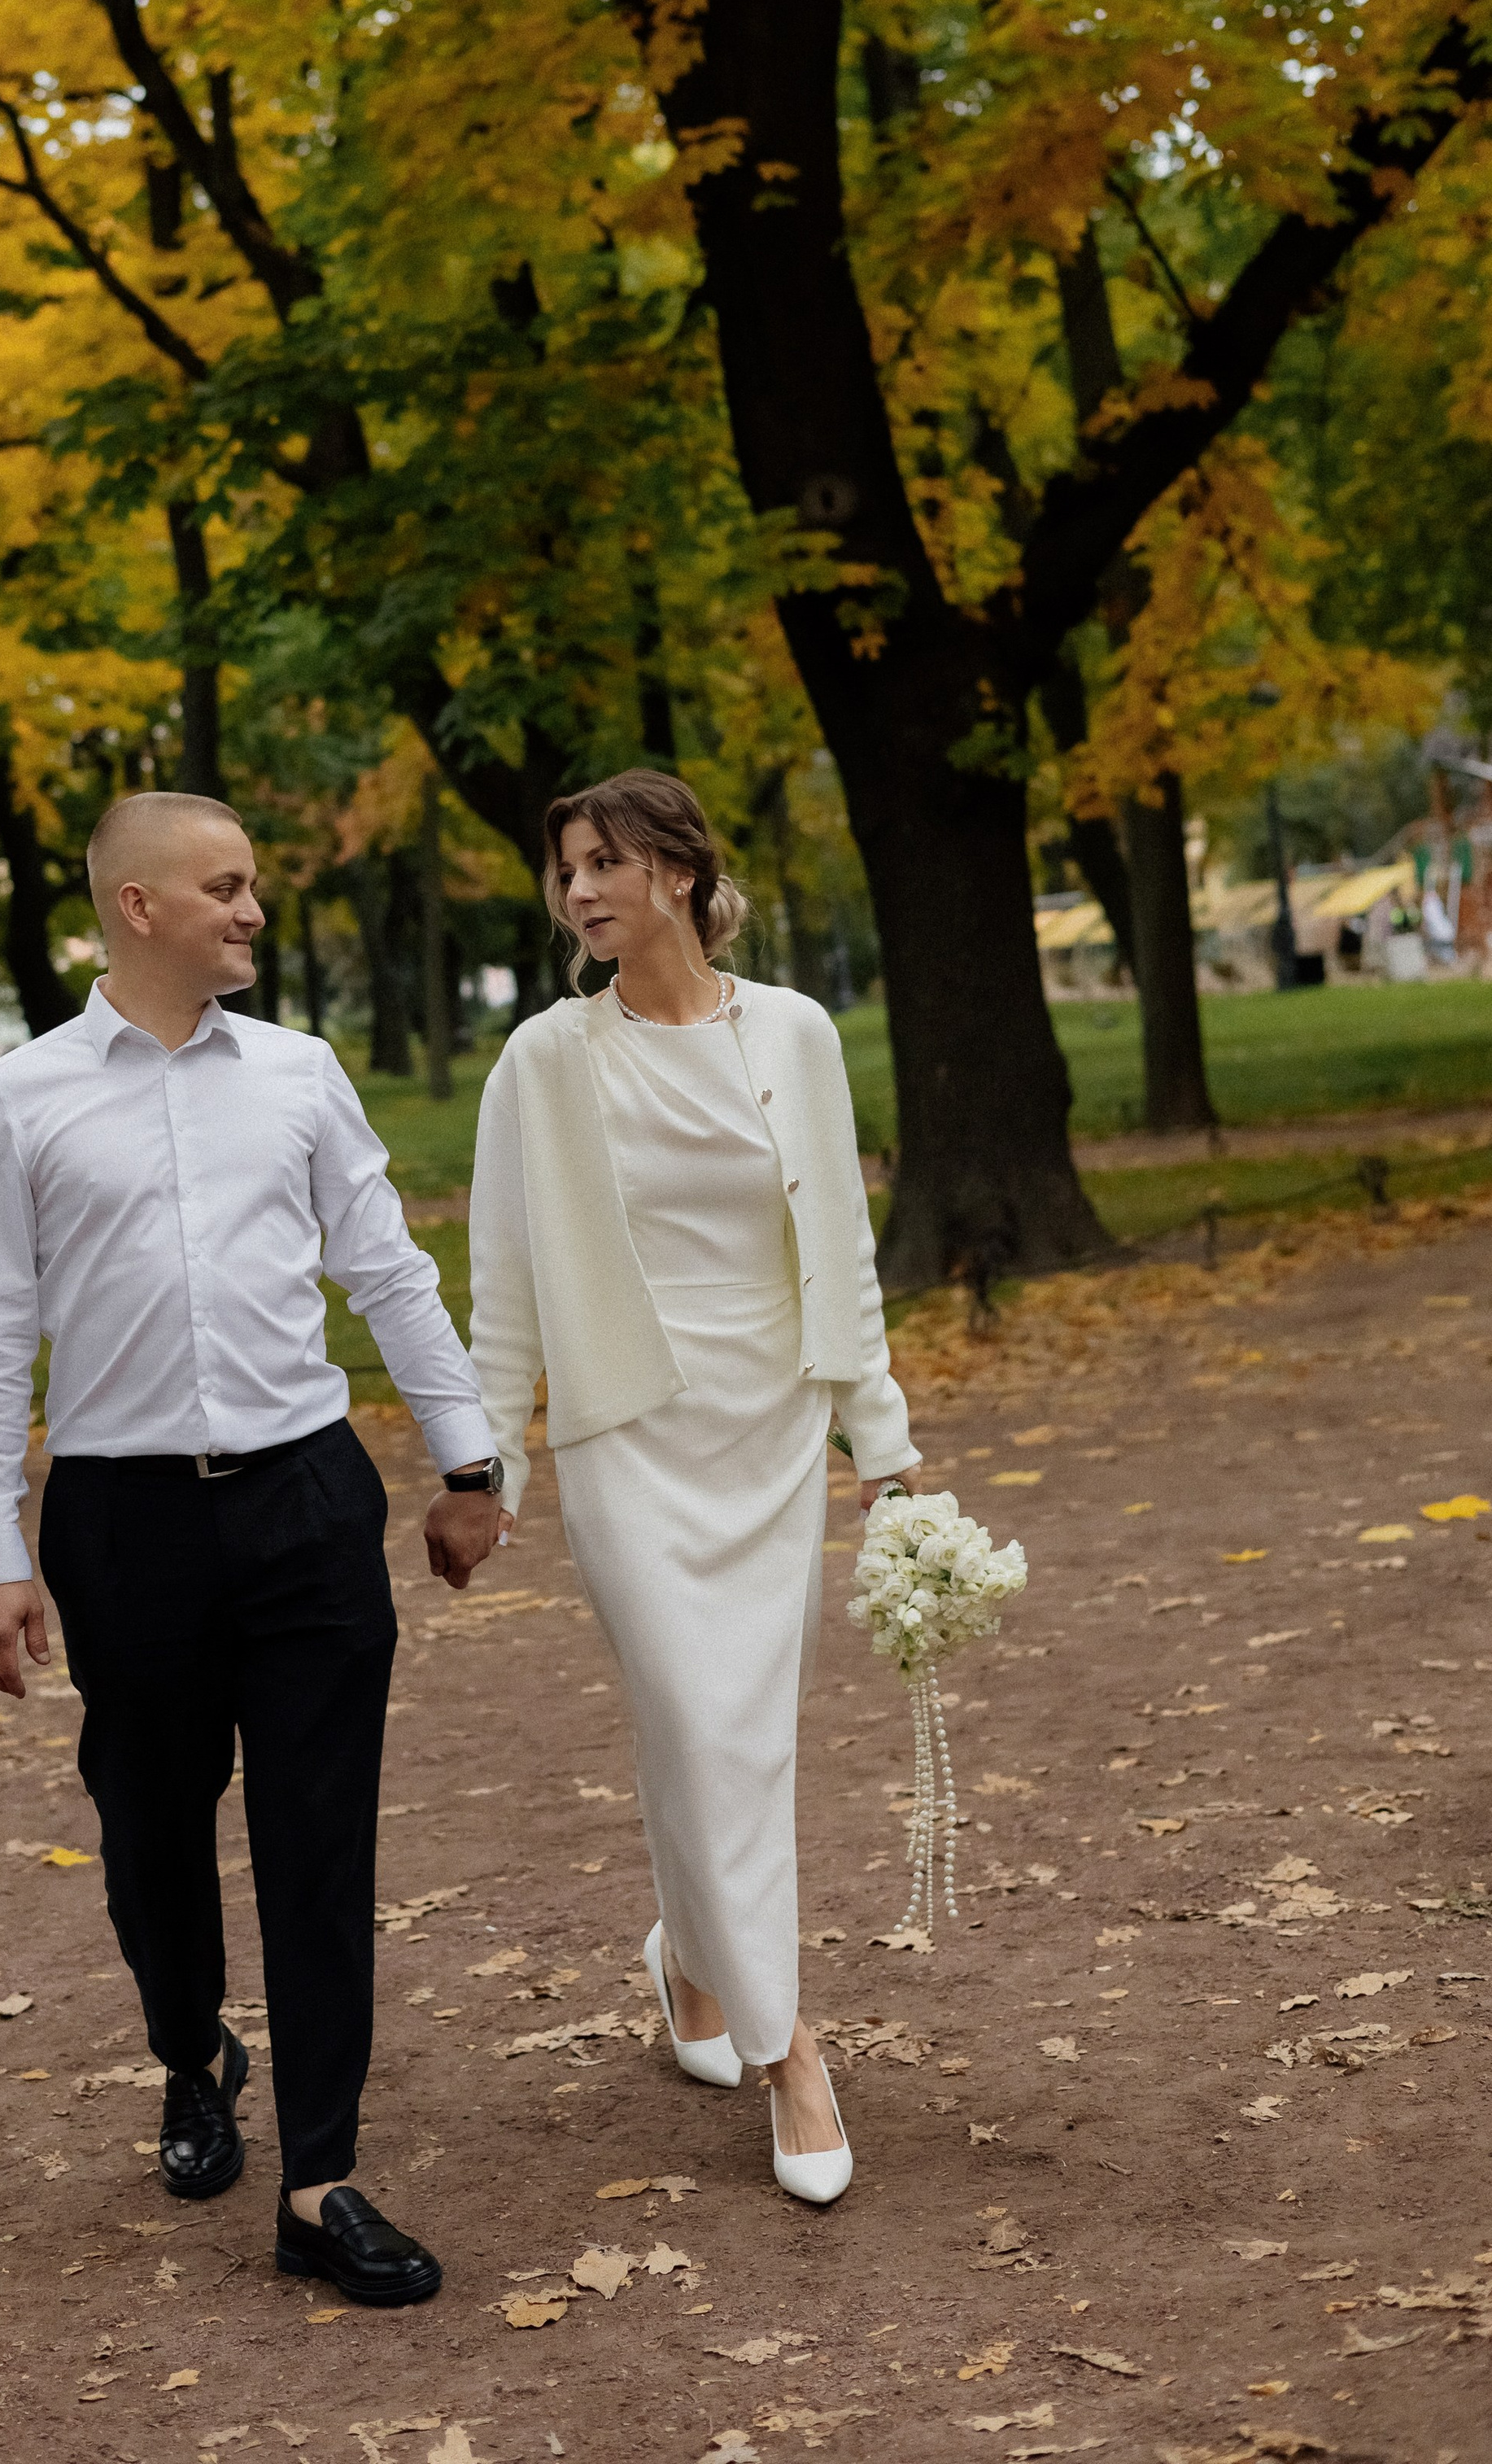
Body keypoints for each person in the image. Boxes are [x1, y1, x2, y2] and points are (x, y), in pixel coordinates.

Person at [0, 791, 506, 2305]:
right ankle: (194, 2049)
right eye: (228, 887)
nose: (255, 911)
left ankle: (321, 2181)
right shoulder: (20, 1099)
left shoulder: (302, 1077)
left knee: (324, 1845)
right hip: (125, 1524)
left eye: (254, 886)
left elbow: (388, 1273)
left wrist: (468, 1462)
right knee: (148, 1825)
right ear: (140, 909)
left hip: (308, 1505)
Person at [446, 768, 921, 2203]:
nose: (580, 890)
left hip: (768, 1430)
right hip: (625, 1437)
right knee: (701, 1723)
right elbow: (507, 1285)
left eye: (605, 862)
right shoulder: (542, 1059)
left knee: (723, 1730)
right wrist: (491, 1464)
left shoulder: (797, 1033)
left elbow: (840, 1249)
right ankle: (793, 2053)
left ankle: (688, 1951)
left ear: (678, 870)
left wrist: (882, 1451)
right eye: (566, 871)